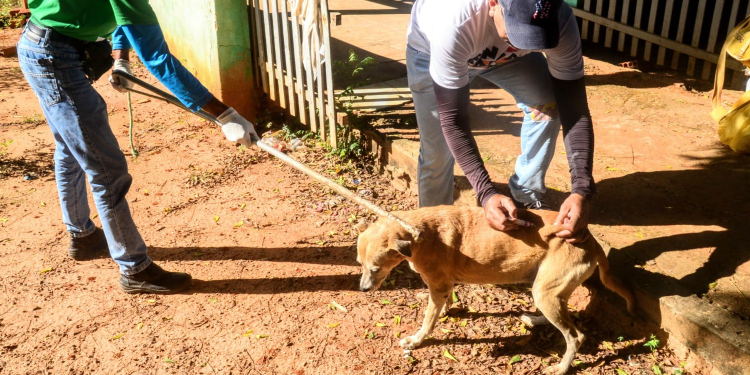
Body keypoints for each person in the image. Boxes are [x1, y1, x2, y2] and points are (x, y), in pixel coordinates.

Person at [18, 0, 258, 294]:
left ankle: (81, 235)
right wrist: (224, 115)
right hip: (56, 59)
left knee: (70, 148)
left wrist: (121, 59)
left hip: (41, 48)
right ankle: (134, 268)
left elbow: (120, 15)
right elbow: (158, 58)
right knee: (107, 169)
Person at [407, 0, 594, 242]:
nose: (523, 44)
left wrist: (582, 190)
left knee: (548, 104)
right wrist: (486, 193)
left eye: (536, 38)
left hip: (505, 58)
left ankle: (525, 191)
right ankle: (430, 233)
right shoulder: (454, 20)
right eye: (518, 32)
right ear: (494, 4)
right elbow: (454, 121)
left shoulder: (561, 21)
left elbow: (575, 110)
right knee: (438, 151)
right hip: (433, 52)